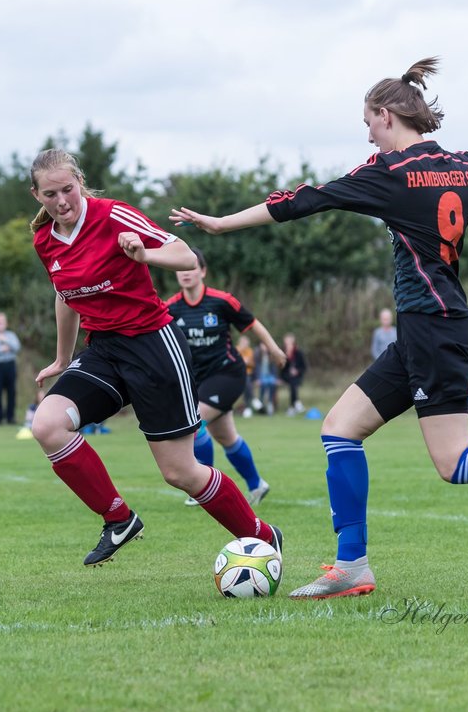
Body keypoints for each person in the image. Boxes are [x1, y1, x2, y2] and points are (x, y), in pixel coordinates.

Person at [170, 57, 468, 600]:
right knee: (339, 428)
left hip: (435, 328)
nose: (367, 133)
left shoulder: (389, 175)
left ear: (386, 116)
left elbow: (304, 200)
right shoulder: (465, 168)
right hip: (428, 330)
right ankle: (352, 566)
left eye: (368, 122)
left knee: (455, 462)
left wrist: (222, 223)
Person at [27, 148, 282, 567]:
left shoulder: (113, 216)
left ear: (79, 182)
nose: (61, 202)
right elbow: (65, 295)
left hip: (153, 346)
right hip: (104, 351)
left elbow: (184, 254)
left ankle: (263, 536)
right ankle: (119, 518)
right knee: (47, 425)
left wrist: (144, 256)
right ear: (36, 195)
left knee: (180, 473)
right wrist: (61, 358)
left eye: (68, 190)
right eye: (50, 194)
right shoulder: (44, 240)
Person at [166, 249, 285, 507]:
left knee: (194, 422)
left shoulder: (221, 301)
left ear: (203, 271)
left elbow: (252, 324)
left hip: (228, 374)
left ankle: (202, 486)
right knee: (226, 437)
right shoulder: (171, 308)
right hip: (197, 381)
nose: (186, 273)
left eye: (191, 267)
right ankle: (257, 485)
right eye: (181, 269)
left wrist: (274, 349)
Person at [282, 333, 308, 415]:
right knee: (293, 382)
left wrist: (297, 371)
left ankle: (292, 406)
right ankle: (296, 403)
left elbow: (304, 367)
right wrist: (287, 357)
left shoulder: (299, 353)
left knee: (293, 383)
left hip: (296, 376)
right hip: (285, 375)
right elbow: (281, 368)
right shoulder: (282, 352)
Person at [236, 335, 257, 418]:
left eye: (246, 343)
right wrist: (242, 361)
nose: (245, 344)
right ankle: (253, 400)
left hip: (248, 373)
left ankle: (247, 407)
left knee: (247, 383)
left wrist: (248, 363)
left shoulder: (250, 351)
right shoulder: (236, 350)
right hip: (238, 374)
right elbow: (234, 362)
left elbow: (253, 364)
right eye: (243, 342)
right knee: (247, 382)